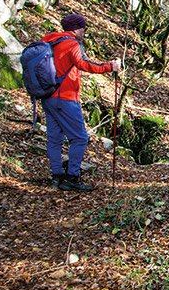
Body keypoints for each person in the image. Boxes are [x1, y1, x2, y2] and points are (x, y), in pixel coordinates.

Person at [41, 14, 120, 191]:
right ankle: (72, 178)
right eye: (84, 29)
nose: (85, 33)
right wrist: (109, 67)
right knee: (80, 138)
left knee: (54, 139)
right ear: (76, 29)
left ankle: (57, 176)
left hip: (48, 97)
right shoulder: (71, 43)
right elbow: (83, 63)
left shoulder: (51, 42)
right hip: (65, 98)